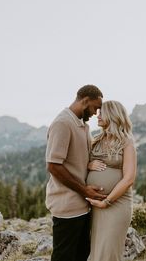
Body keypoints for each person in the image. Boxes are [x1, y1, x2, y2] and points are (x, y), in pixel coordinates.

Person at [45, 84, 106, 261]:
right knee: (64, 256)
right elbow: (54, 165)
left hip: (82, 205)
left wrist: (89, 164)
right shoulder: (63, 123)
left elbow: (74, 159)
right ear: (85, 101)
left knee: (81, 254)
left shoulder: (81, 124)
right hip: (67, 206)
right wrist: (84, 190)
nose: (96, 113)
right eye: (95, 107)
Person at [86, 100, 137, 261]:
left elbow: (129, 178)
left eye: (102, 113)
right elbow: (79, 165)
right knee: (96, 251)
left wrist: (107, 201)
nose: (97, 115)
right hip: (95, 206)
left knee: (109, 252)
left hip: (117, 204)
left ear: (112, 115)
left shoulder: (126, 142)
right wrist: (89, 164)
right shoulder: (96, 140)